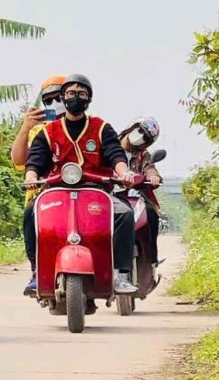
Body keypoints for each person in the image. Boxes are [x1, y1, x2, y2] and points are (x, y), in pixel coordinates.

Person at [22, 73, 138, 297]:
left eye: (82, 94)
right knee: (30, 213)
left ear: (89, 99)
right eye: (71, 93)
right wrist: (30, 176)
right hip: (57, 191)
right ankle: (37, 271)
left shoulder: (101, 128)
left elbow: (115, 154)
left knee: (124, 213)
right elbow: (35, 159)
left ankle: (121, 274)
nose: (76, 98)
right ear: (63, 97)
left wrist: (124, 173)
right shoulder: (48, 132)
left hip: (96, 190)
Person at [10, 74, 67, 294]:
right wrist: (25, 128)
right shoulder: (39, 130)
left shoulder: (89, 125)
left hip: (81, 189)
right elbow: (19, 161)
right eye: (48, 100)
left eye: (59, 97)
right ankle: (37, 270)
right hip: (45, 193)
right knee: (29, 216)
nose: (55, 103)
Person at [119, 116, 165, 265]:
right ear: (131, 127)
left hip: (132, 197)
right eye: (139, 131)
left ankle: (151, 260)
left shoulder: (143, 155)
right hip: (108, 194)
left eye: (145, 137)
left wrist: (153, 177)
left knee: (151, 214)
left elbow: (149, 167)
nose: (140, 136)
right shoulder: (110, 145)